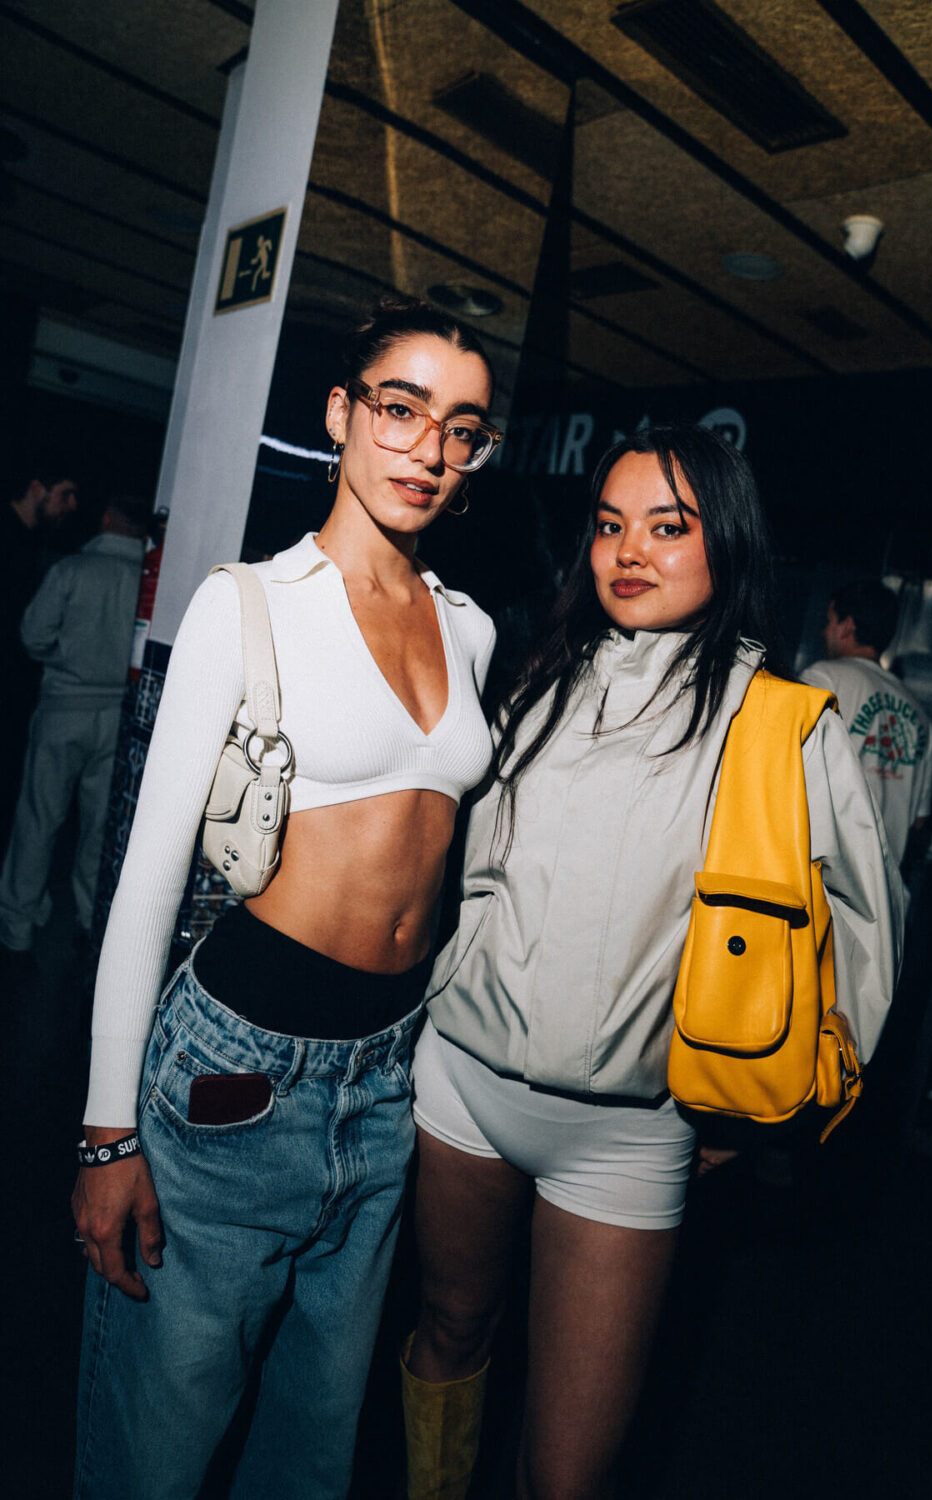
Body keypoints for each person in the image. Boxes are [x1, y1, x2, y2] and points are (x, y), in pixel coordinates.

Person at [402, 425, 903, 1500]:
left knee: (569, 1471)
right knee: (447, 1328)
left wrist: (761, 1104)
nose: (629, 550)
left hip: (629, 1136)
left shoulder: (783, 725)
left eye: (668, 527)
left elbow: (864, 932)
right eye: (609, 525)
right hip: (462, 1089)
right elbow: (473, 878)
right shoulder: (538, 685)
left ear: (727, 541)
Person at [71, 300, 502, 1500]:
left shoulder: (469, 629)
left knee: (311, 1455)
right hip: (234, 1075)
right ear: (341, 414)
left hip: (386, 1079)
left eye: (462, 428)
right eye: (401, 410)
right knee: (158, 1451)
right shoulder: (248, 603)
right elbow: (148, 882)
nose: (429, 449)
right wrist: (107, 1134)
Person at [0, 496, 150, 966]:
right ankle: (89, 921)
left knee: (38, 819)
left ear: (106, 517)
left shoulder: (72, 570)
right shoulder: (147, 580)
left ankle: (17, 925)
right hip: (116, 717)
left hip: (63, 710)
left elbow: (32, 635)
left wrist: (64, 662)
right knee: (99, 829)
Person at [801, 579, 932, 875]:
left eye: (829, 621)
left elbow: (782, 770)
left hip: (819, 882)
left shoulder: (824, 679)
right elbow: (919, 822)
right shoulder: (921, 717)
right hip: (882, 890)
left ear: (847, 626)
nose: (824, 631)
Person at [0, 462, 79, 849]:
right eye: (65, 493)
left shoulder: (32, 543)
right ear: (36, 488)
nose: (72, 505)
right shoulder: (11, 538)